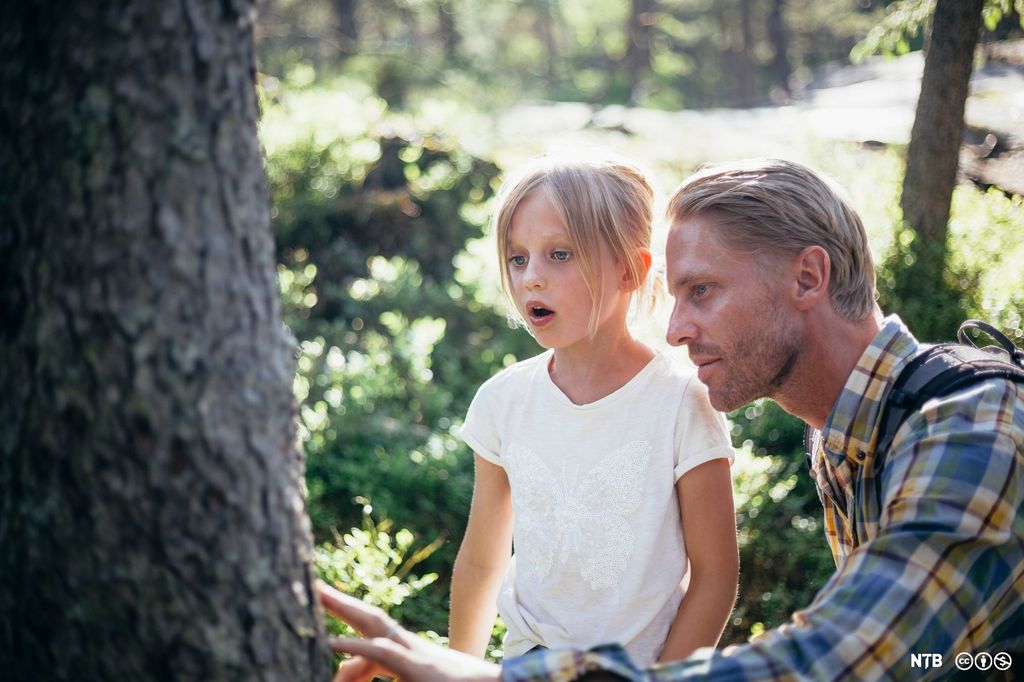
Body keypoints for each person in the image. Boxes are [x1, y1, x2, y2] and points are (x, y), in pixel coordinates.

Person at [319, 158, 1024, 681]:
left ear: (808, 278)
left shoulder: (972, 431)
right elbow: (939, 660)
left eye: (702, 291)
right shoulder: (849, 436)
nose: (675, 329)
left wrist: (487, 679)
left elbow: (838, 659)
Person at [447, 155, 738, 667]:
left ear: (630, 270)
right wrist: (453, 673)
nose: (531, 278)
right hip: (528, 665)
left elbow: (715, 576)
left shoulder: (681, 402)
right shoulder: (502, 401)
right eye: (518, 258)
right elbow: (481, 561)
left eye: (559, 254)